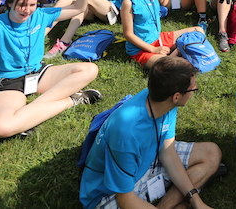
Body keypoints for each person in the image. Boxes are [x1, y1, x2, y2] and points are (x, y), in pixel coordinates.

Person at [0, 0, 102, 138]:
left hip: (37, 74)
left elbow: (79, 7)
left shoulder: (40, 15)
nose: (27, 10)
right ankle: (71, 100)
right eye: (21, 5)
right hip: (6, 83)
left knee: (89, 70)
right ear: (10, 2)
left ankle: (28, 114)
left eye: (32, 5)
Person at [80, 56, 222, 209]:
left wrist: (196, 201)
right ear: (176, 97)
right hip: (109, 193)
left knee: (211, 154)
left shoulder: (163, 97)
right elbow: (125, 200)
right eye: (193, 89)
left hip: (147, 163)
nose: (194, 92)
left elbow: (168, 152)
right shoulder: (126, 134)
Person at [121, 0, 204, 69]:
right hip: (141, 49)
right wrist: (153, 49)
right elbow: (128, 34)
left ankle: (177, 52)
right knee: (168, 67)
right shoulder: (129, 2)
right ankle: (178, 52)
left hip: (159, 38)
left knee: (199, 31)